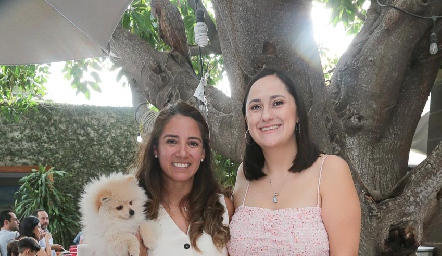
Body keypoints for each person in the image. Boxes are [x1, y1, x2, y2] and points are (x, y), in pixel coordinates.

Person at [227, 68, 361, 255]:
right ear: (246, 119)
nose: (266, 116)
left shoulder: (331, 170)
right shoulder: (244, 175)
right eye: (255, 107)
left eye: (277, 103)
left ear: (298, 113)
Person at [136, 101, 233, 255]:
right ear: (156, 149)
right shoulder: (133, 210)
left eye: (192, 143)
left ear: (203, 153)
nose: (182, 152)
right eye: (172, 141)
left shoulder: (222, 208)